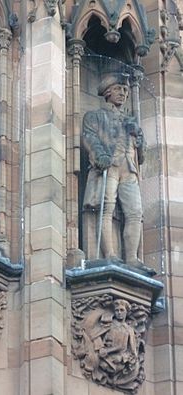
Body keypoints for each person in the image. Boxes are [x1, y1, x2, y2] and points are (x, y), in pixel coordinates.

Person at [82, 72, 147, 270]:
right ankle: (108, 253)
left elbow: (141, 155)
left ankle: (132, 259)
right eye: (118, 89)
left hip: (129, 168)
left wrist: (139, 137)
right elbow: (89, 138)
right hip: (109, 166)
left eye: (126, 90)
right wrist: (100, 155)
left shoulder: (131, 122)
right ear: (107, 93)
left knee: (135, 212)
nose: (123, 93)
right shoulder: (95, 116)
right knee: (106, 208)